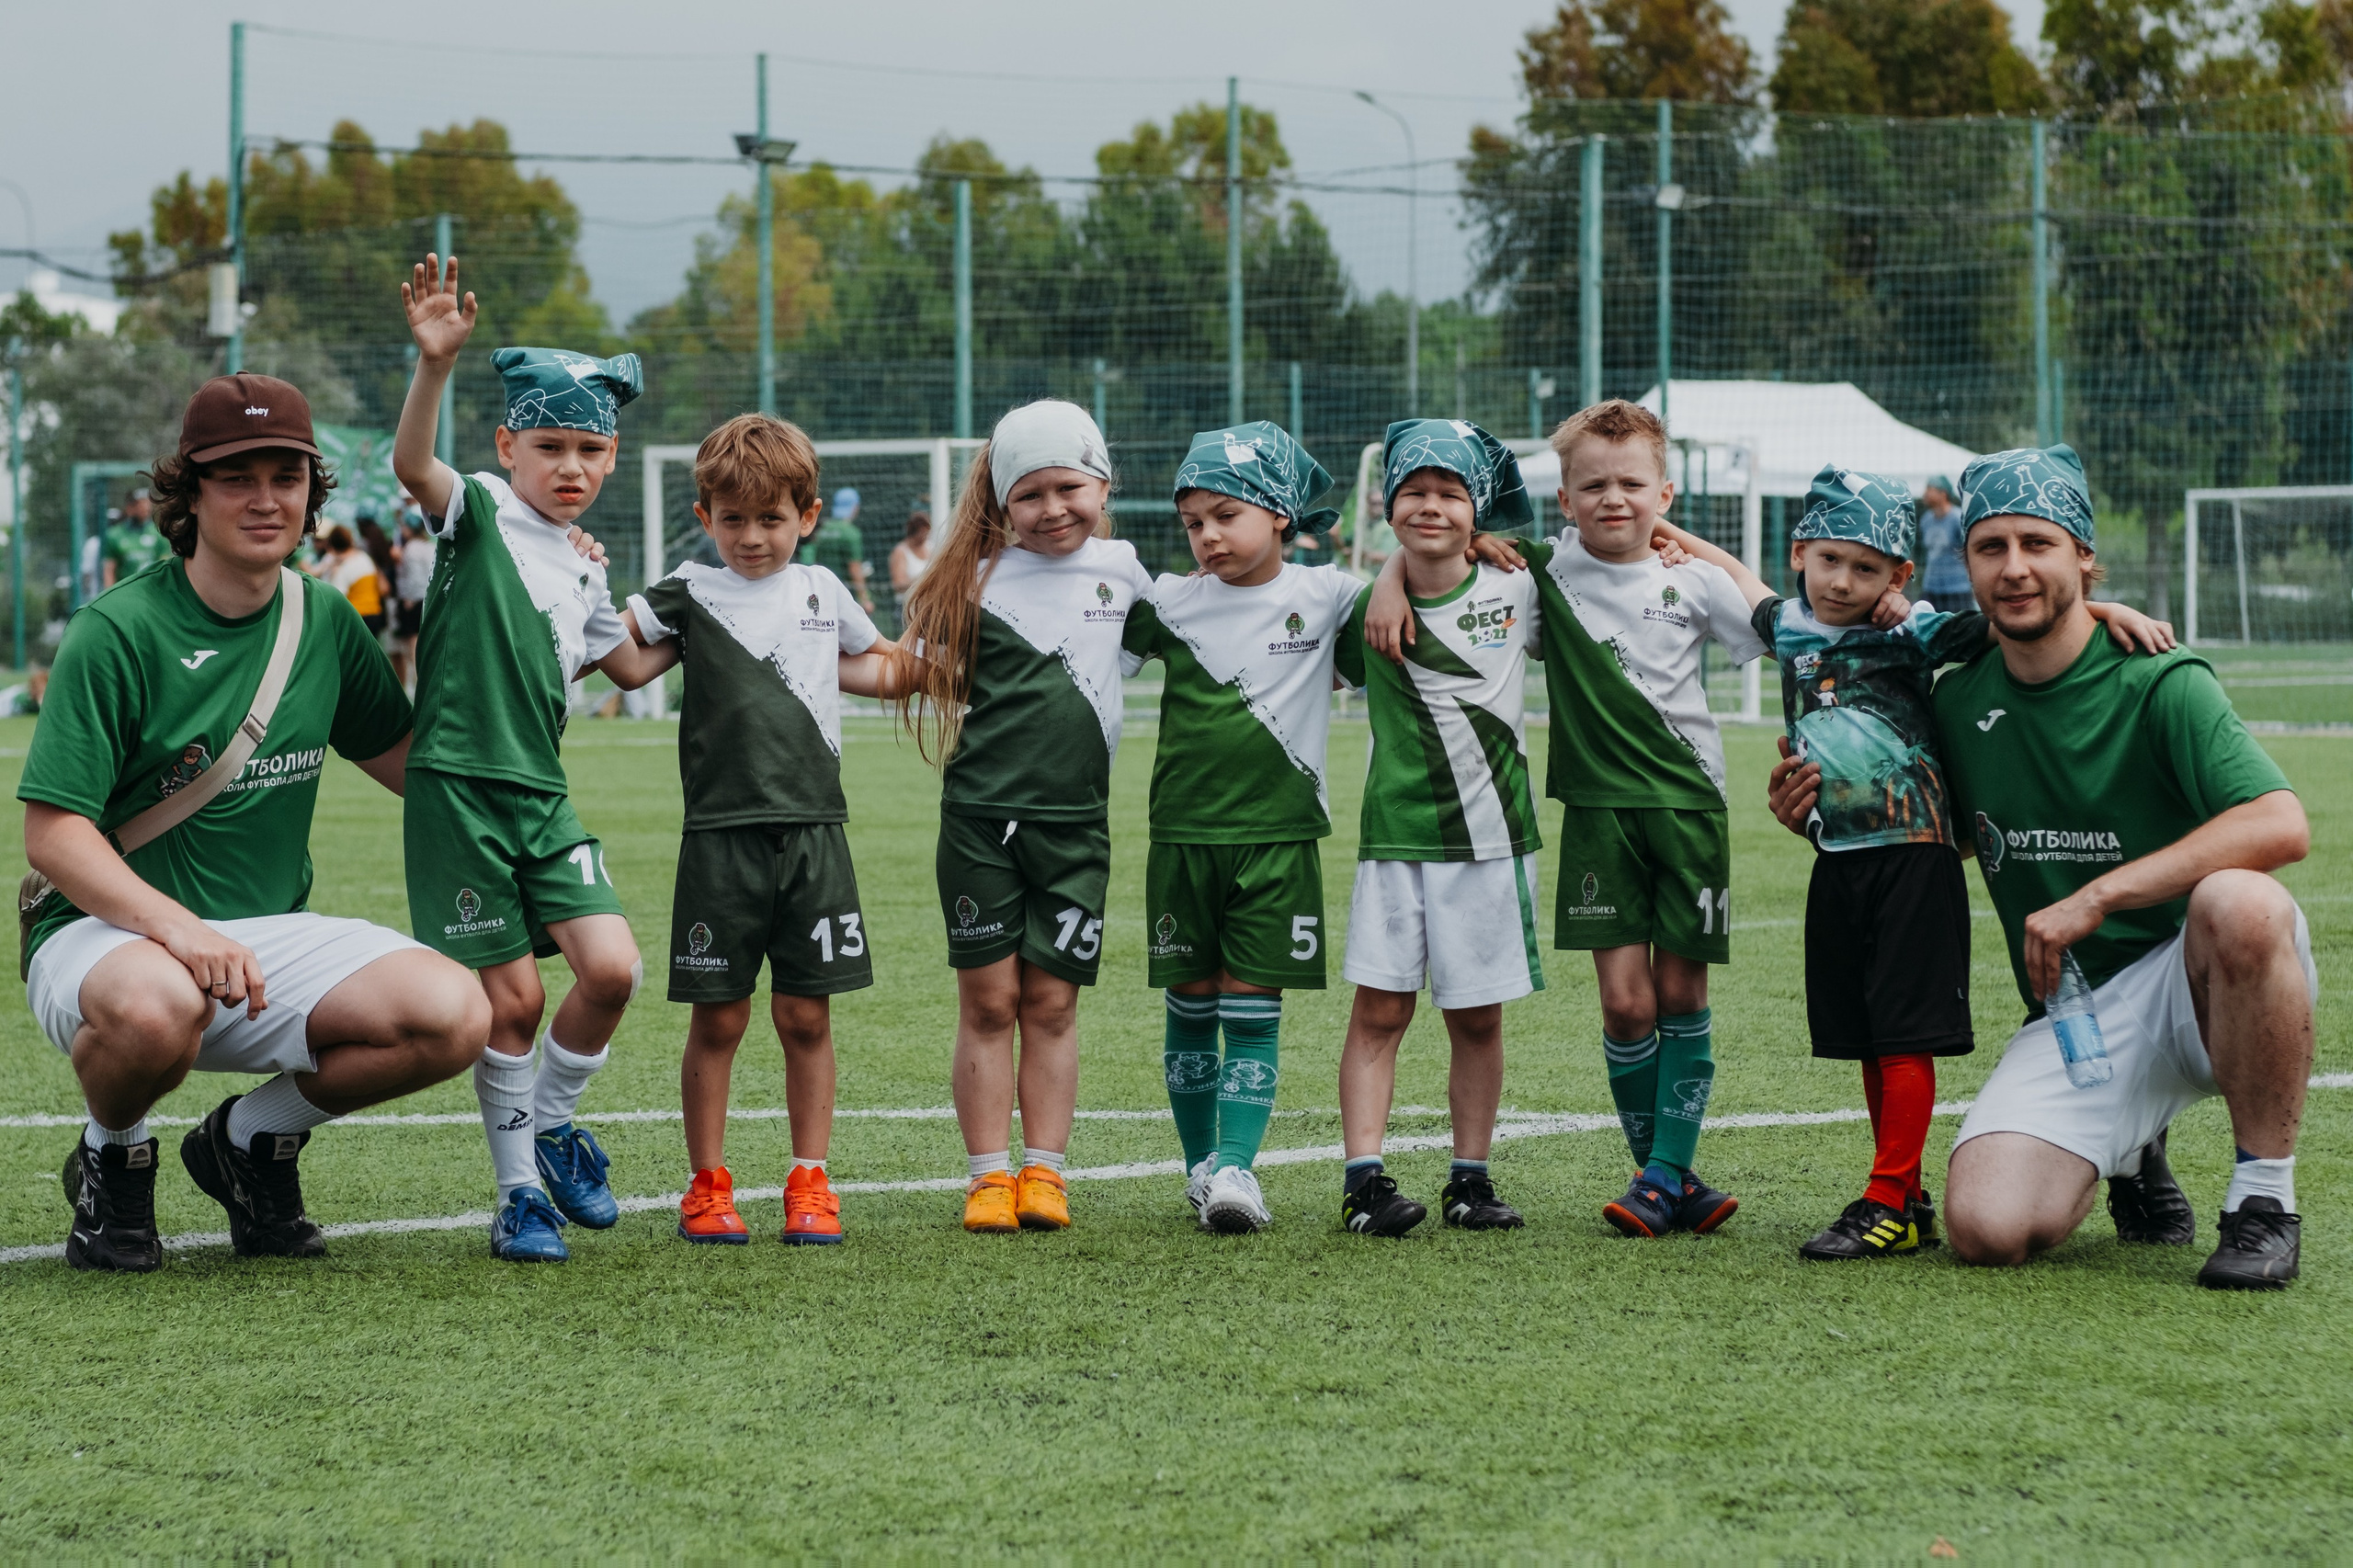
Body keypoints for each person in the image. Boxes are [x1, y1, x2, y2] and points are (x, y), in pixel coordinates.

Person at [1768, 444, 2317, 1290]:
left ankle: (2262, 1201)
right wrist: (1826, 809)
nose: (2014, 568)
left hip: (2196, 983)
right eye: (1992, 548)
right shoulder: (1957, 698)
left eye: (2039, 543)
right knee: (1986, 1227)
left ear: (2085, 557)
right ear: (1966, 566)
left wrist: (2095, 896)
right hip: (2080, 1018)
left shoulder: (2160, 678)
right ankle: (2132, 1146)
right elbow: (1938, 839)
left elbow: (2281, 823)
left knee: (2243, 902)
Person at [18, 372, 490, 1273]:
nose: (266, 498)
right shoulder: (114, 631)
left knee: (451, 1011)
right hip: (101, 936)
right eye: (237, 476)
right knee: (163, 1006)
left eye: (287, 474)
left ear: (314, 490)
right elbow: (54, 836)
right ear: (190, 491)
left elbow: (416, 772)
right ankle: (113, 1157)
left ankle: (246, 1140)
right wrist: (179, 931)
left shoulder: (324, 620)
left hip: (260, 942)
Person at [1661, 465, 2170, 1260]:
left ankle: (1887, 1196)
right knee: (1867, 1033)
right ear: (1800, 554)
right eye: (1830, 560)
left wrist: (2105, 608)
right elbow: (1730, 573)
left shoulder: (1914, 629)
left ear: (1898, 575)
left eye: (1867, 568)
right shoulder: (1787, 626)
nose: (1843, 581)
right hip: (1837, 855)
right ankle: (1909, 1196)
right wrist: (1670, 540)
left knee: (1903, 1034)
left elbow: (2020, 621)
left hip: (1916, 857)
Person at [1369, 400, 1755, 1239]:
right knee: (1623, 1005)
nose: (1614, 499)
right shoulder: (1541, 570)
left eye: (1632, 484)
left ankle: (1659, 1176)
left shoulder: (1687, 577)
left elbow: (1771, 623)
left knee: (1682, 990)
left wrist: (1702, 549)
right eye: (1594, 485)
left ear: (1666, 492)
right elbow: (1441, 557)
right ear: (1565, 499)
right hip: (1594, 811)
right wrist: (1388, 578)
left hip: (1690, 807)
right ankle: (1669, 1178)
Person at [392, 252, 668, 1264]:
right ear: (507, 445)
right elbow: (411, 466)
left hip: (542, 794)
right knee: (510, 1000)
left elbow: (631, 665)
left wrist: (709, 602)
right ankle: (517, 1198)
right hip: (457, 794)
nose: (571, 466)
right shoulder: (472, 511)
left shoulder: (585, 563)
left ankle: (550, 1124)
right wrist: (434, 367)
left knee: (613, 968)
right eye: (549, 445)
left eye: (592, 449)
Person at [608, 415, 899, 1245]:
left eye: (771, 519)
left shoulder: (821, 591)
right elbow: (626, 662)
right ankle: (707, 1185)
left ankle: (810, 1181)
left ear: (807, 516)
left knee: (807, 1017)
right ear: (704, 518)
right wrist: (583, 595)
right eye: (732, 520)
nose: (752, 537)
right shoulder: (689, 591)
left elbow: (880, 664)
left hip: (815, 837)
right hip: (718, 840)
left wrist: (966, 662)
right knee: (721, 1019)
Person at [893, 400, 1153, 1235]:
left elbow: (1211, 626)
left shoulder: (1126, 572)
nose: (1052, 510)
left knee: (1051, 1005)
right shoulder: (971, 579)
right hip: (978, 823)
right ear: (1002, 504)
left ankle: (1045, 1171)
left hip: (1077, 829)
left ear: (1102, 482)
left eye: (1068, 488)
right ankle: (986, 1177)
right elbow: (907, 673)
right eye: (1029, 495)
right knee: (989, 1001)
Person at [1120, 421, 1364, 1234]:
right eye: (1193, 522)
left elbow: (1395, 608)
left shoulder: (1328, 596)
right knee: (1190, 1002)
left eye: (1226, 514)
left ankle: (1235, 1169)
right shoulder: (1165, 600)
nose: (1207, 536)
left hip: (1280, 837)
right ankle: (1201, 1169)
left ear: (1281, 515)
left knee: (1252, 1005)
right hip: (1182, 837)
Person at [1331, 420, 1544, 1237]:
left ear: (1477, 512)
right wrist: (1387, 576)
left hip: (1493, 844)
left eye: (1450, 494)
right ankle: (1363, 1183)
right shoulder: (1363, 610)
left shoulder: (1519, 585)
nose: (1430, 507)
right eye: (1413, 492)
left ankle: (1471, 1180)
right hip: (1397, 840)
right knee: (1379, 1012)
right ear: (1387, 506)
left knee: (1477, 1019)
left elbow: (1611, 549)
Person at [803, 485, 876, 617]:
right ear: (855, 507)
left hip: (821, 591)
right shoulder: (851, 533)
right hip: (845, 594)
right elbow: (854, 568)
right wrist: (865, 599)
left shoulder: (821, 530)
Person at [392, 511, 436, 693]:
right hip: (428, 599)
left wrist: (409, 599)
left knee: (414, 650)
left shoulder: (411, 548)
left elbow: (414, 578)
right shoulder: (430, 546)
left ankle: (418, 688)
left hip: (414, 601)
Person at [1915, 475, 1972, 610]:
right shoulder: (1926, 520)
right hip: (1931, 586)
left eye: (1930, 489)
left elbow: (1968, 550)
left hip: (1957, 587)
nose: (1925, 494)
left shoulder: (1957, 518)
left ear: (1943, 493)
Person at [101, 487, 168, 589]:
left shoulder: (158, 534)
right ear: (129, 508)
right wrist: (109, 595)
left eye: (147, 503)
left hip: (151, 592)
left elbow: (165, 567)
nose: (145, 508)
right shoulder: (114, 535)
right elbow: (109, 570)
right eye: (140, 504)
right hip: (125, 593)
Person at [889, 509, 931, 635]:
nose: (925, 537)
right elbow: (898, 585)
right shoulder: (901, 551)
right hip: (906, 607)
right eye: (922, 533)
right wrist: (925, 578)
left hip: (928, 607)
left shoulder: (930, 547)